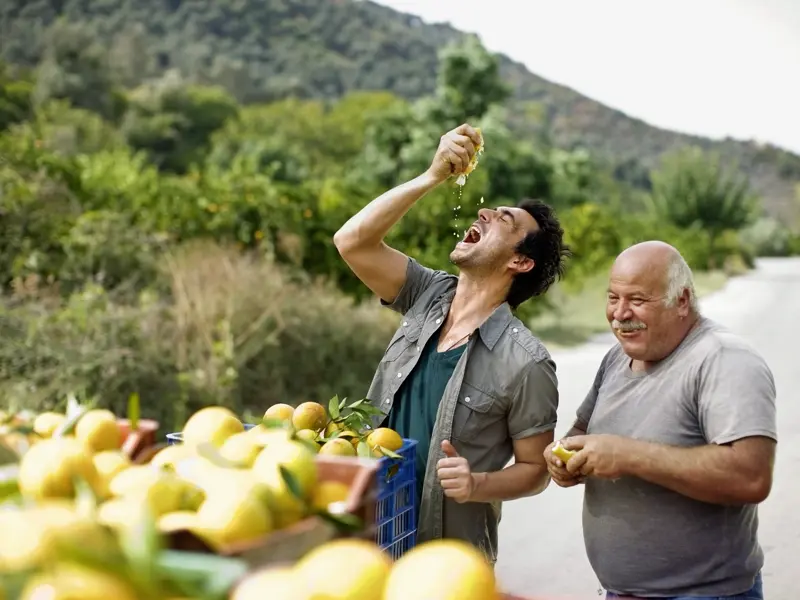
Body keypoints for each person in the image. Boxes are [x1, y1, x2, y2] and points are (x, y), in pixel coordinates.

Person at [333, 123, 570, 563]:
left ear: (520, 260)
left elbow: (536, 470)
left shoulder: (527, 362)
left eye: (504, 220)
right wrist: (431, 176)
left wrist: (477, 484)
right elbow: (352, 242)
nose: (484, 214)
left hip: (446, 562)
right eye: (489, 210)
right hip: (371, 533)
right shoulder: (426, 294)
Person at [544, 241, 777, 600]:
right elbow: (583, 431)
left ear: (681, 300)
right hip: (621, 592)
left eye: (637, 300)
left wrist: (628, 455)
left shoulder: (724, 359)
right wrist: (564, 457)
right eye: (612, 298)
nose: (620, 314)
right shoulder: (617, 358)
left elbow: (751, 476)